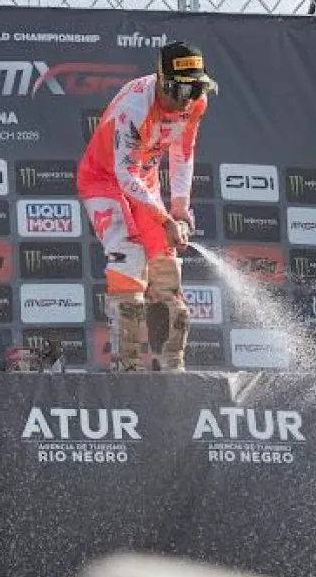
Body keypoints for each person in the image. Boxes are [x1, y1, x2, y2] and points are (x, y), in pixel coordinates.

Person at [77, 41, 216, 372]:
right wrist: (164, 218)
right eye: (181, 90)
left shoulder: (196, 103)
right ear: (163, 81)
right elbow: (124, 175)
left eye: (196, 88)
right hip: (104, 180)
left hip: (145, 182)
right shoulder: (136, 107)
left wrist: (180, 209)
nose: (188, 99)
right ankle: (128, 367)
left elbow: (183, 152)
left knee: (166, 271)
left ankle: (172, 367)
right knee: (129, 257)